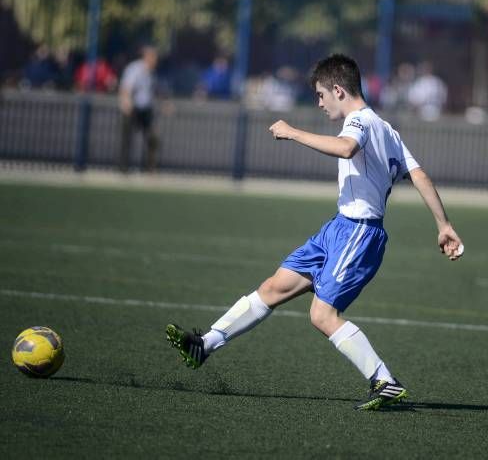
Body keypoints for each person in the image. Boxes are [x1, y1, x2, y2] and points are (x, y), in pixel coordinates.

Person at [165, 54, 464, 410]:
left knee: (321, 315)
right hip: (337, 229)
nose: (320, 103)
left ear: (338, 90)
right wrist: (443, 224)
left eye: (321, 95)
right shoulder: (388, 130)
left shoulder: (360, 122)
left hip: (359, 232)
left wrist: (292, 132)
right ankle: (205, 344)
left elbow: (345, 147)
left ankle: (384, 380)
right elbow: (420, 176)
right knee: (274, 287)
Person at [118, 46, 159, 173]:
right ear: (147, 57)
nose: (155, 61)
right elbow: (126, 88)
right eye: (154, 58)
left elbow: (150, 92)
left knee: (152, 138)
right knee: (127, 139)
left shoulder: (151, 72)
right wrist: (126, 103)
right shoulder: (134, 69)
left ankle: (149, 169)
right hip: (132, 108)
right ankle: (123, 169)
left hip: (145, 110)